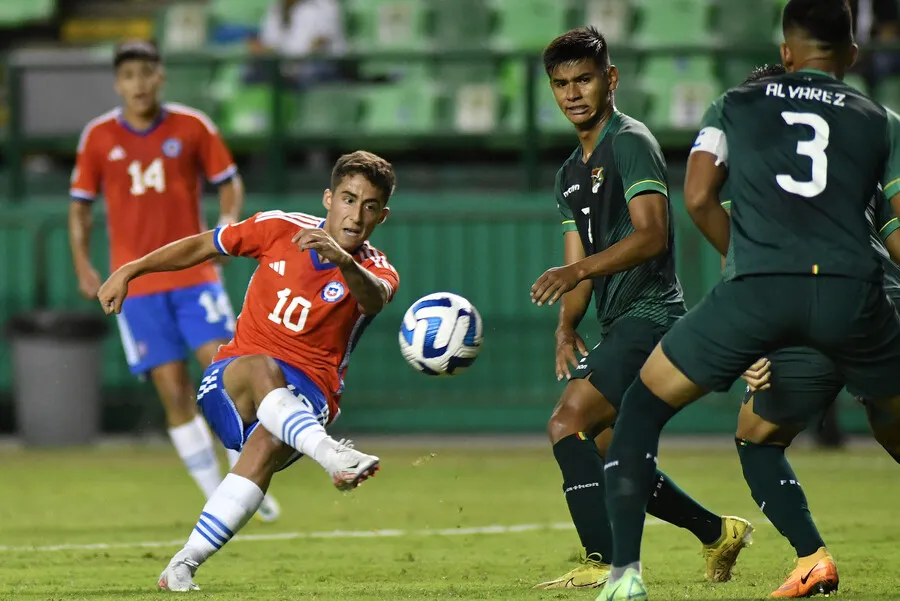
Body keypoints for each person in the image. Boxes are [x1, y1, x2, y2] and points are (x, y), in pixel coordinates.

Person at [597, 1, 900, 599]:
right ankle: (811, 560)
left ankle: (626, 576)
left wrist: (750, 298)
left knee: (648, 410)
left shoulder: (736, 110)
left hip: (763, 292)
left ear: (786, 53)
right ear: (852, 54)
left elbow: (698, 197)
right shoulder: (879, 120)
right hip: (859, 297)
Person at [97, 150, 398, 591]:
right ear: (328, 198)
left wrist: (343, 262)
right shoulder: (279, 228)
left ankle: (182, 566)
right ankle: (332, 456)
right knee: (262, 366)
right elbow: (204, 245)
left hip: (309, 400)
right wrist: (132, 268)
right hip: (233, 382)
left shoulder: (376, 269)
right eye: (348, 200)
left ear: (382, 216)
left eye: (369, 207)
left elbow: (372, 299)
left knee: (266, 446)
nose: (356, 215)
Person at [529, 26, 751, 590]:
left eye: (583, 80)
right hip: (620, 323)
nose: (573, 93)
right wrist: (565, 325)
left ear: (611, 79)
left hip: (651, 316)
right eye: (561, 84)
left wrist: (578, 271)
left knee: (566, 422)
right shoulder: (568, 174)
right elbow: (577, 261)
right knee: (609, 449)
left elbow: (652, 236)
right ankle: (717, 531)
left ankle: (602, 560)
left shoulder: (630, 142)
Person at [68, 39, 280, 520]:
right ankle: (216, 493)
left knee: (226, 368)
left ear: (160, 76)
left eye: (146, 73)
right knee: (172, 389)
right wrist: (83, 264)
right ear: (117, 83)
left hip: (195, 275)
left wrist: (228, 225)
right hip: (138, 286)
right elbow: (79, 206)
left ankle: (246, 472)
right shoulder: (98, 137)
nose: (138, 84)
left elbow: (229, 180)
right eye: (128, 76)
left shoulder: (192, 127)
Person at [728, 62, 900, 599]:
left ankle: (812, 559)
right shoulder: (853, 154)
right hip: (880, 306)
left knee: (756, 436)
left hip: (811, 316)